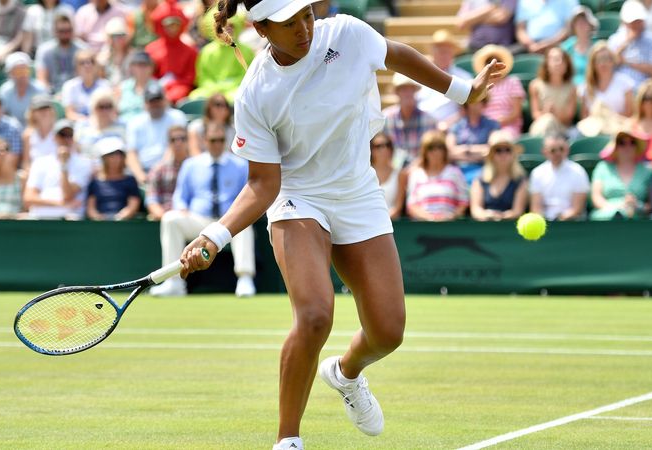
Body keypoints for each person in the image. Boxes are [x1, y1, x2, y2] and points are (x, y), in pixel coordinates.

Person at [176, 2, 502, 449]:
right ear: (261, 28)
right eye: (289, 24)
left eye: (306, 16)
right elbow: (262, 184)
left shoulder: (347, 34)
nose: (304, 29)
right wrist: (216, 235)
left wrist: (464, 92)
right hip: (298, 196)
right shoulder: (256, 92)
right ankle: (287, 439)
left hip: (357, 192)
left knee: (388, 332)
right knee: (314, 316)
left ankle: (346, 374)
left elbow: (398, 54)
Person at [150, 123, 256, 297]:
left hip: (226, 221)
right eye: (213, 140)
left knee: (244, 225)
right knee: (170, 219)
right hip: (198, 219)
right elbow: (180, 197)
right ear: (205, 141)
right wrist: (182, 207)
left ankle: (245, 279)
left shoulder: (239, 165)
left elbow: (247, 195)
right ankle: (173, 282)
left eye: (221, 140)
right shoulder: (191, 165)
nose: (217, 144)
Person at [23, 119, 93, 219]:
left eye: (69, 135)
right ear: (54, 138)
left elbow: (67, 195)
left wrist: (64, 165)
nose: (66, 139)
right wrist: (60, 203)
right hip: (40, 218)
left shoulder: (84, 163)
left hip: (68, 220)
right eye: (62, 135)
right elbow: (28, 198)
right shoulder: (40, 162)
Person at [126, 84, 187, 184]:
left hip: (171, 170)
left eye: (158, 100)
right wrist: (140, 176)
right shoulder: (135, 122)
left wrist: (158, 172)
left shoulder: (176, 117)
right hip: (143, 171)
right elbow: (131, 153)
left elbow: (175, 147)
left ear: (165, 100)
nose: (155, 104)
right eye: (151, 101)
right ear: (145, 103)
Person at [406, 130, 470, 221]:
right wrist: (429, 217)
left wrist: (451, 216)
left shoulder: (455, 173)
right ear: (424, 152)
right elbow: (412, 205)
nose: (435, 152)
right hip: (422, 227)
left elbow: (463, 202)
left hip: (450, 227)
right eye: (431, 148)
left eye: (439, 148)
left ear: (445, 151)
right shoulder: (416, 174)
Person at [189, 15, 254, 104]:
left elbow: (247, 76)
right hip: (210, 90)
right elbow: (203, 77)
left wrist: (226, 87)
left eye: (231, 25)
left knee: (239, 97)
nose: (227, 29)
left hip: (235, 89)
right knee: (195, 97)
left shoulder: (246, 51)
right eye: (222, 26)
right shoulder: (207, 51)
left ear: (237, 27)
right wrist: (216, 88)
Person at [415, 30, 473, 130]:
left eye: (447, 51)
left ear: (453, 53)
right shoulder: (418, 74)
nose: (443, 54)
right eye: (440, 50)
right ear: (433, 52)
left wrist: (448, 123)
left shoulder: (464, 77)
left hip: (453, 128)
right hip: (420, 125)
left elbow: (467, 109)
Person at [590, 129, 652, 220]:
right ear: (615, 147)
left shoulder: (646, 171)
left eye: (632, 142)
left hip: (638, 219)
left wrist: (638, 206)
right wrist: (615, 207)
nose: (628, 146)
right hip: (606, 218)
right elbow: (596, 197)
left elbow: (651, 205)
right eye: (622, 143)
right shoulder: (602, 168)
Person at [145, 0, 198, 104]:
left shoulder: (190, 51)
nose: (172, 29)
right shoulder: (151, 49)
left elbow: (190, 76)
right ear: (161, 26)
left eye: (175, 25)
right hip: (155, 89)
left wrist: (174, 84)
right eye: (168, 25)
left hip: (180, 90)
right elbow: (148, 74)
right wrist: (159, 83)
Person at [528, 132, 590, 221]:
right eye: (553, 150)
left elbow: (577, 209)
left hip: (572, 223)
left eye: (561, 149)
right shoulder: (537, 173)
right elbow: (536, 208)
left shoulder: (578, 171)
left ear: (567, 150)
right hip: (546, 222)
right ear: (544, 152)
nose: (558, 153)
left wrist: (561, 218)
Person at [470, 129, 528, 221]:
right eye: (498, 150)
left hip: (510, 229)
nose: (503, 154)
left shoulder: (520, 179)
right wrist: (487, 214)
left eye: (507, 150)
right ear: (491, 154)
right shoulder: (480, 178)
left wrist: (504, 216)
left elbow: (517, 211)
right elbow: (476, 210)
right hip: (484, 228)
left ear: (513, 154)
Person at [382, 73, 438, 165]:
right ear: (397, 92)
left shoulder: (429, 120)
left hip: (421, 170)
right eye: (404, 89)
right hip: (393, 169)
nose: (408, 94)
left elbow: (432, 152)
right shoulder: (385, 119)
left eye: (411, 89)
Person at [473, 44, 525, 138]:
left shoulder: (513, 82)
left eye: (497, 62)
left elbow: (516, 113)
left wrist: (498, 123)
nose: (494, 66)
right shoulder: (479, 85)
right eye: (489, 63)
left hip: (508, 127)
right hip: (483, 128)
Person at [446, 97, 500, 184]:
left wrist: (466, 150)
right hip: (458, 169)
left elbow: (492, 150)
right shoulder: (456, 126)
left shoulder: (492, 125)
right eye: (473, 101)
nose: (477, 105)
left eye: (480, 101)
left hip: (483, 168)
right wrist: (478, 153)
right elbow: (449, 152)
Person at [86, 136, 140, 220]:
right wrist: (99, 218)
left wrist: (119, 218)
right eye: (111, 155)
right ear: (103, 158)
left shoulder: (130, 181)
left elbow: (133, 204)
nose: (116, 158)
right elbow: (91, 208)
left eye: (119, 154)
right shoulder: (94, 183)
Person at [607, 1, 652, 88]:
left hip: (645, 91)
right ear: (625, 23)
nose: (637, 25)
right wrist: (626, 43)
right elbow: (609, 65)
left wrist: (627, 62)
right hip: (620, 90)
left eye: (639, 21)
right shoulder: (614, 40)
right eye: (633, 22)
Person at [528, 46, 577, 137]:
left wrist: (554, 114)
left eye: (562, 60)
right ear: (547, 63)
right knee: (547, 121)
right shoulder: (535, 85)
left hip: (562, 130)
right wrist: (546, 113)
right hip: (541, 127)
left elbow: (568, 118)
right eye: (555, 59)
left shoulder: (572, 87)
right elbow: (535, 114)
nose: (559, 63)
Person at [144, 125, 189, 221]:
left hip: (191, 217)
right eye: (173, 140)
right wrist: (164, 217)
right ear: (169, 143)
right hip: (165, 218)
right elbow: (151, 199)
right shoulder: (159, 169)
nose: (178, 143)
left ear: (188, 141)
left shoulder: (197, 167)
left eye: (182, 139)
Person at [36, 14, 86, 94]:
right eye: (61, 31)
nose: (65, 34)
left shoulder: (82, 49)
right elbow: (42, 79)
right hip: (52, 93)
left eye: (68, 30)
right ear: (54, 31)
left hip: (77, 93)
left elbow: (87, 76)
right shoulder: (45, 50)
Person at [74, 89, 126, 166]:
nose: (105, 111)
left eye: (108, 106)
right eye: (101, 107)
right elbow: (76, 150)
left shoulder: (122, 126)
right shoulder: (82, 126)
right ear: (93, 108)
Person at [0, 52, 48, 128]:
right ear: (10, 74)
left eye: (25, 71)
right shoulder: (4, 91)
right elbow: (2, 116)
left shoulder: (40, 89)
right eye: (18, 72)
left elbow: (44, 117)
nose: (22, 75)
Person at [61, 50, 112, 122]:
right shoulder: (69, 86)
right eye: (82, 63)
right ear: (76, 67)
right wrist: (85, 121)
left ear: (97, 66)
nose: (87, 65)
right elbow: (69, 113)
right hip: (77, 125)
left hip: (101, 124)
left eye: (92, 61)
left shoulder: (105, 86)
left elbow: (110, 111)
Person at [116, 51, 160, 122]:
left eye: (145, 64)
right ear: (131, 67)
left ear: (151, 67)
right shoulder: (123, 86)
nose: (141, 68)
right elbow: (115, 109)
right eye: (137, 64)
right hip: (124, 126)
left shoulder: (157, 87)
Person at [369, 132, 405, 219]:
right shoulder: (364, 173)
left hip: (391, 224)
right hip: (366, 222)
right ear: (371, 150)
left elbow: (398, 207)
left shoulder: (400, 174)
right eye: (378, 146)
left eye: (387, 145)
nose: (384, 149)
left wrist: (382, 220)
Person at [561, 6, 598, 87]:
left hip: (592, 89)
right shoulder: (566, 48)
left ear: (590, 25)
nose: (581, 25)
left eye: (584, 22)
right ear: (573, 26)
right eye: (577, 22)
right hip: (570, 90)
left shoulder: (597, 48)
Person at [21, 95, 59, 168]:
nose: (43, 112)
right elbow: (26, 163)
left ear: (52, 111)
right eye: (39, 109)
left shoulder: (60, 131)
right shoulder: (27, 135)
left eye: (46, 108)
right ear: (33, 113)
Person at [95, 17, 132, 86]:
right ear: (109, 38)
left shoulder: (132, 56)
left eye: (122, 35)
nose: (119, 39)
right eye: (115, 36)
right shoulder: (102, 58)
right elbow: (100, 81)